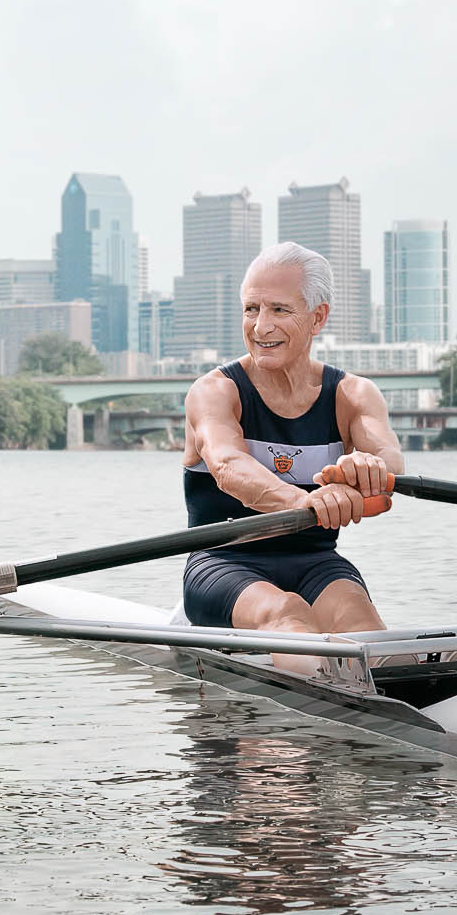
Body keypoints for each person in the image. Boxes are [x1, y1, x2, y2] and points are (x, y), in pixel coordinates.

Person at [180, 241, 404, 673]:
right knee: (288, 613)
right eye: (251, 309)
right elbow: (228, 466)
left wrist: (370, 470)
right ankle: (342, 699)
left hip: (314, 562)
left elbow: (390, 458)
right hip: (225, 562)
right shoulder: (215, 391)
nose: (261, 326)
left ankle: (393, 693)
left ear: (318, 317)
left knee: (362, 621)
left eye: (279, 310)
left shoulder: (352, 394)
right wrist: (300, 502)